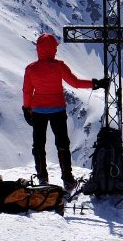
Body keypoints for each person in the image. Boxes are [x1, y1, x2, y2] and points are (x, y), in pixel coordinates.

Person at [21, 33, 109, 189]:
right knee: (62, 145)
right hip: (57, 110)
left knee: (39, 145)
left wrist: (26, 109)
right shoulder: (59, 66)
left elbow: (27, 91)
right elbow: (75, 83)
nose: (56, 50)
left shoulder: (31, 69)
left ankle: (42, 179)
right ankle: (67, 180)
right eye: (54, 47)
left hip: (38, 111)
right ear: (51, 49)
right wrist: (96, 84)